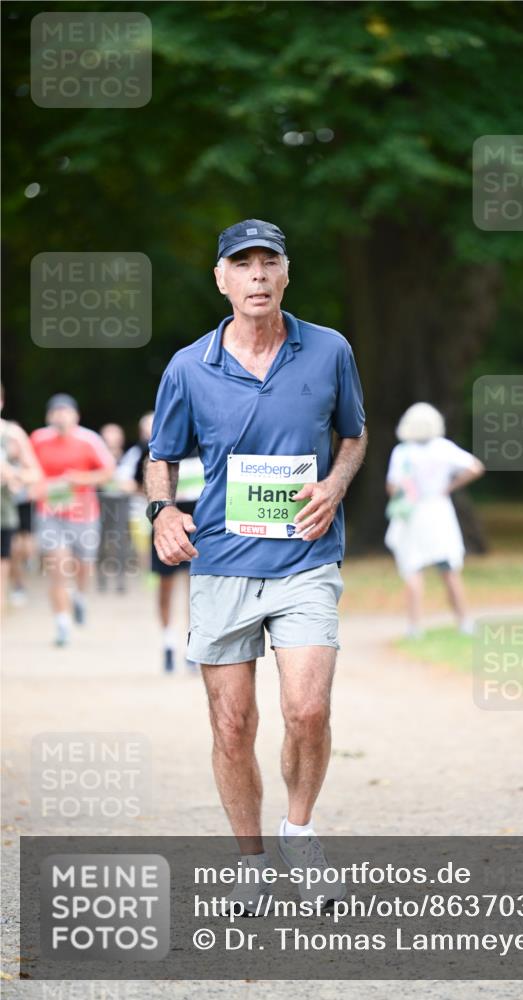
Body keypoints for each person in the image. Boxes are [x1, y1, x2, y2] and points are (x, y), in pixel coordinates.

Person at [145, 219, 366, 909]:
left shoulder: (328, 350)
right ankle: (249, 860)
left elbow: (353, 436)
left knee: (307, 708)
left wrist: (332, 487)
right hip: (222, 562)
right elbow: (162, 459)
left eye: (269, 262)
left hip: (305, 558)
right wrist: (164, 513)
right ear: (222, 279)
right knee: (231, 724)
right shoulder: (189, 365)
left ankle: (299, 832)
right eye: (242, 265)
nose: (258, 276)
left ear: (286, 273)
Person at [384, 402, 485, 637]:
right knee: (449, 569)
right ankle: (463, 622)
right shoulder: (444, 448)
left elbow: (392, 487)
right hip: (439, 511)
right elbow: (475, 467)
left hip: (414, 513)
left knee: (413, 570)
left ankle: (415, 626)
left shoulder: (403, 452)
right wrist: (449, 486)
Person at [30, 394, 115, 646]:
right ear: (49, 417)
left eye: (65, 411)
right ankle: (62, 624)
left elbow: (108, 472)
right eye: (56, 412)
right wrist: (36, 486)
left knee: (83, 567)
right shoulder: (38, 439)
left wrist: (80, 479)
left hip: (84, 515)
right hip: (50, 513)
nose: (60, 416)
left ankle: (79, 596)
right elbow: (29, 469)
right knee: (58, 567)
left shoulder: (89, 440)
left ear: (75, 416)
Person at [121, 412, 203, 672]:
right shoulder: (153, 450)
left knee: (197, 590)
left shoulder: (204, 445)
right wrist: (159, 499)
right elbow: (132, 483)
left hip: (199, 526)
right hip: (164, 527)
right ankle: (168, 642)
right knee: (166, 587)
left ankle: (193, 646)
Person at [1, 385, 43, 605]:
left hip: (4, 514)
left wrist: (11, 473)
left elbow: (35, 473)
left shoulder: (12, 434)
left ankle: (18, 584)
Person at [97, 423, 132, 593]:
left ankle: (120, 580)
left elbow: (132, 484)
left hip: (121, 504)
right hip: (101, 503)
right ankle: (101, 579)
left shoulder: (127, 458)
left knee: (120, 542)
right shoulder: (97, 458)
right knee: (101, 542)